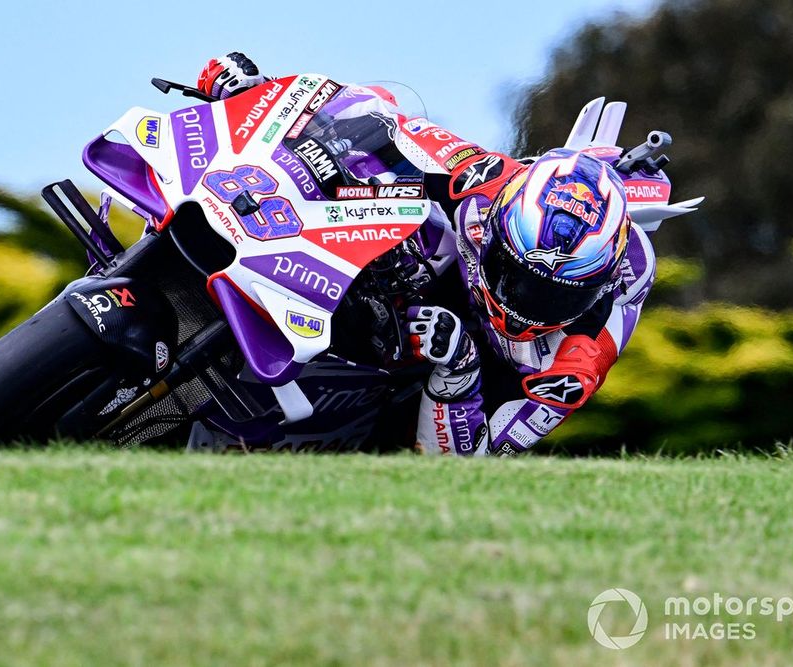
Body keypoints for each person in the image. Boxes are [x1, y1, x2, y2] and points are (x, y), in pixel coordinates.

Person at [197, 54, 656, 456]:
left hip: (490, 372)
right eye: (513, 274)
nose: (522, 305)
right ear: (497, 226)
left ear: (598, 284)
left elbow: (469, 466)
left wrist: (459, 366)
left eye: (552, 296)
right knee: (380, 188)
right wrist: (259, 95)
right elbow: (374, 115)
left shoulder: (578, 360)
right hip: (437, 286)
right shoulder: (486, 182)